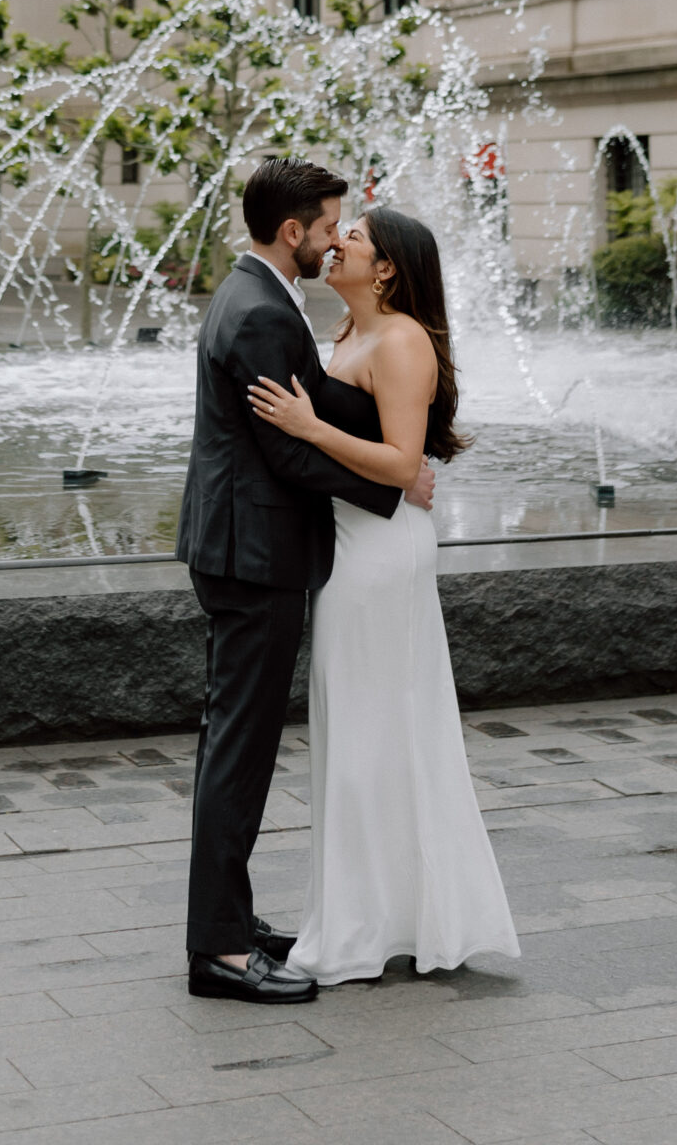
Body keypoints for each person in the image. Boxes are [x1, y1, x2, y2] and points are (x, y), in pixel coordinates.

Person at [177, 157, 436, 1005]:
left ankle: (230, 922)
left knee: (236, 746)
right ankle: (217, 951)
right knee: (238, 753)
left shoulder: (252, 296)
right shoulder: (260, 312)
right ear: (291, 231)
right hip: (254, 557)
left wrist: (402, 467)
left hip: (245, 550)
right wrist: (394, 485)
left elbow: (319, 418)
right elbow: (285, 447)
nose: (334, 239)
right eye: (328, 225)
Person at [249, 205, 520, 984]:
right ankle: (379, 913)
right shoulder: (342, 334)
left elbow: (403, 465)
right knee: (362, 734)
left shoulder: (401, 341)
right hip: (344, 544)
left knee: (374, 734)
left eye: (354, 238)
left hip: (378, 554)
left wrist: (306, 425)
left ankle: (364, 930)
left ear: (389, 267)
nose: (336, 244)